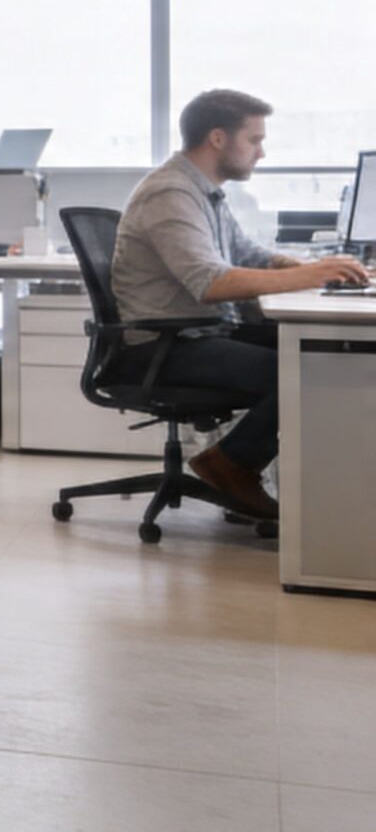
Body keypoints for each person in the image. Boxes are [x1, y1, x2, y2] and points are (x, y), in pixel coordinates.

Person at [110, 90, 368, 520]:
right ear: (217, 138)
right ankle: (230, 465)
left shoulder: (203, 190)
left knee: (323, 349)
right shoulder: (169, 193)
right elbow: (210, 282)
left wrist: (312, 265)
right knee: (304, 366)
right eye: (254, 140)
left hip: (199, 332)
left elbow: (245, 253)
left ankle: (257, 471)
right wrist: (315, 275)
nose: (261, 152)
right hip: (162, 345)